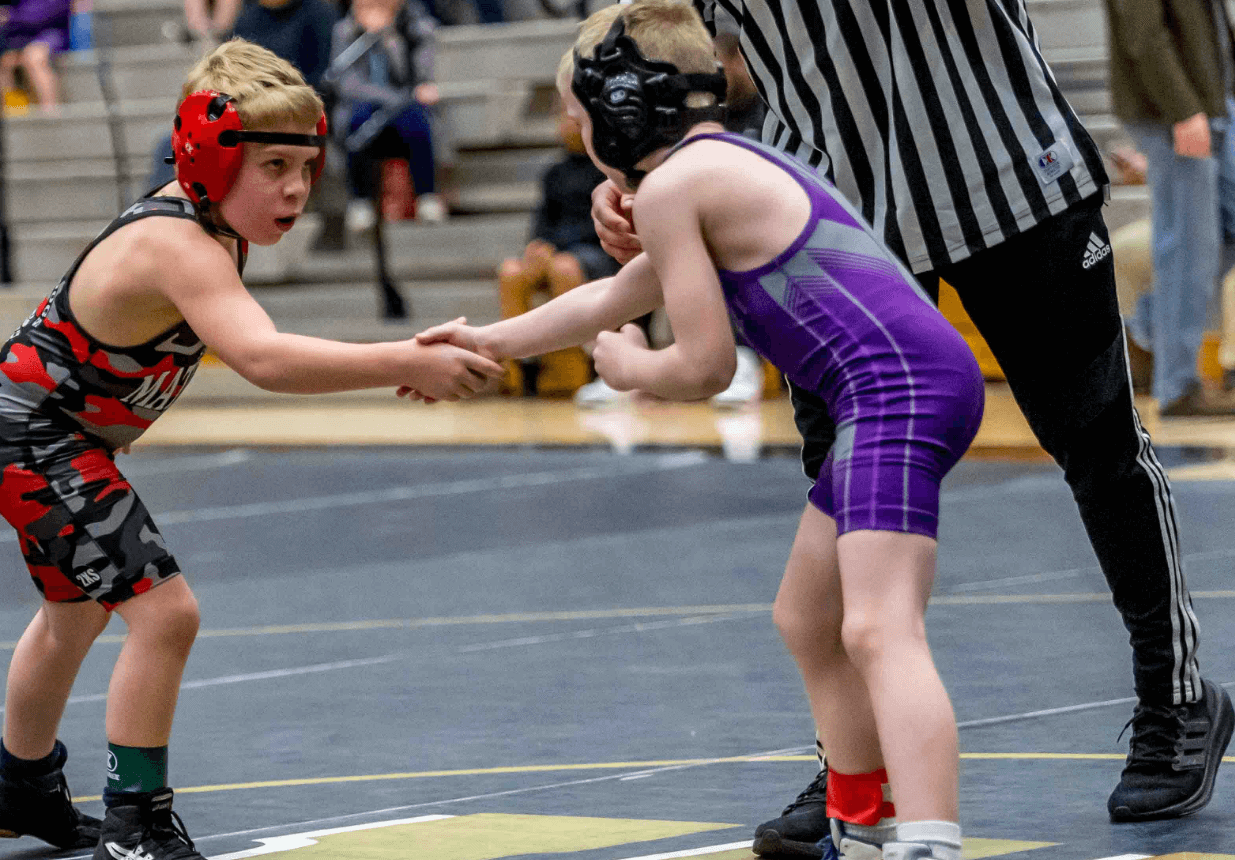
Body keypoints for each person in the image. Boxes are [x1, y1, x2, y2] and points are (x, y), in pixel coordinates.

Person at [592, 0, 1232, 845]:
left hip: (1010, 178)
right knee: (840, 485)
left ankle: (1175, 693)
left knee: (1098, 446)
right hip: (829, 215)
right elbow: (672, 46)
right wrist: (637, 168)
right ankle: (855, 763)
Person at [414, 6, 985, 859]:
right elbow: (614, 297)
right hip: (892, 387)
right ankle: (858, 826)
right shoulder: (707, 172)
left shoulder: (683, 184)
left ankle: (929, 844)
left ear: (622, 108)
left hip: (895, 389)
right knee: (807, 616)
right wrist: (488, 344)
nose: (578, 135)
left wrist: (629, 370)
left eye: (578, 116)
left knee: (877, 627)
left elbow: (704, 366)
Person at [0, 38, 500, 859]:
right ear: (209, 162)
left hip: (41, 432)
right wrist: (401, 359)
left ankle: (20, 784)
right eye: (273, 164)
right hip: (32, 435)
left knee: (72, 614)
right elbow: (264, 358)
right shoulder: (180, 243)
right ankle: (134, 825)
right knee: (165, 614)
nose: (295, 187)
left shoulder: (212, 225)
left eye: (304, 165)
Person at [1107, 0, 1235, 415]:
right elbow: (1143, 31)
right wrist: (1183, 111)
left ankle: (1144, 326)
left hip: (1214, 105)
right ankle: (1177, 386)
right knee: (1188, 249)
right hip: (1175, 112)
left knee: (1215, 235)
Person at [497, 97, 621, 397]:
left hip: (598, 253)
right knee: (511, 271)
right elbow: (543, 218)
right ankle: (522, 368)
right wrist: (537, 246)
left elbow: (603, 225)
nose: (565, 127)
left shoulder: (608, 169)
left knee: (563, 268)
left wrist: (555, 249)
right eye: (562, 121)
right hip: (558, 251)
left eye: (572, 121)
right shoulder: (554, 173)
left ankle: (572, 374)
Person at [331, 0, 448, 232]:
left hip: (406, 109)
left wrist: (388, 38)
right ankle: (360, 201)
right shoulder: (344, 31)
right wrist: (367, 39)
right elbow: (348, 84)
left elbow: (418, 75)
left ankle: (426, 196)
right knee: (358, 121)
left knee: (414, 119)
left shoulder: (416, 26)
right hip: (368, 107)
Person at [0, 0, 72, 114]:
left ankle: (51, 112)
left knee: (34, 57)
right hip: (26, 36)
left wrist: (11, 17)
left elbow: (46, 14)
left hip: (54, 33)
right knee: (6, 60)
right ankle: (9, 116)